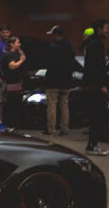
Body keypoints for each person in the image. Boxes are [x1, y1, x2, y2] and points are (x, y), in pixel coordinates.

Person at [42, 25, 81, 136]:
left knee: (52, 105)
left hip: (53, 80)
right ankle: (64, 128)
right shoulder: (70, 46)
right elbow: (73, 61)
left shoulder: (52, 47)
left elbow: (47, 62)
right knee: (64, 105)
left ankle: (51, 129)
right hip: (66, 80)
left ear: (55, 34)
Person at [81, 18, 109, 155]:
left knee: (96, 116)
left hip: (92, 86)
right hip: (95, 87)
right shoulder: (96, 44)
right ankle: (92, 146)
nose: (107, 30)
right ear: (99, 28)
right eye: (106, 28)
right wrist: (101, 85)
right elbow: (96, 68)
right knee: (97, 115)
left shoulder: (91, 43)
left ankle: (93, 144)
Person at [0, 36, 26, 131]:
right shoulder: (10, 55)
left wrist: (20, 51)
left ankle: (13, 125)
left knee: (15, 105)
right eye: (17, 43)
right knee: (13, 105)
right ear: (12, 44)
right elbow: (12, 66)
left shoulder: (13, 53)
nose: (19, 44)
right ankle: (11, 125)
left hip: (15, 84)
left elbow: (23, 56)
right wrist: (21, 60)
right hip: (12, 84)